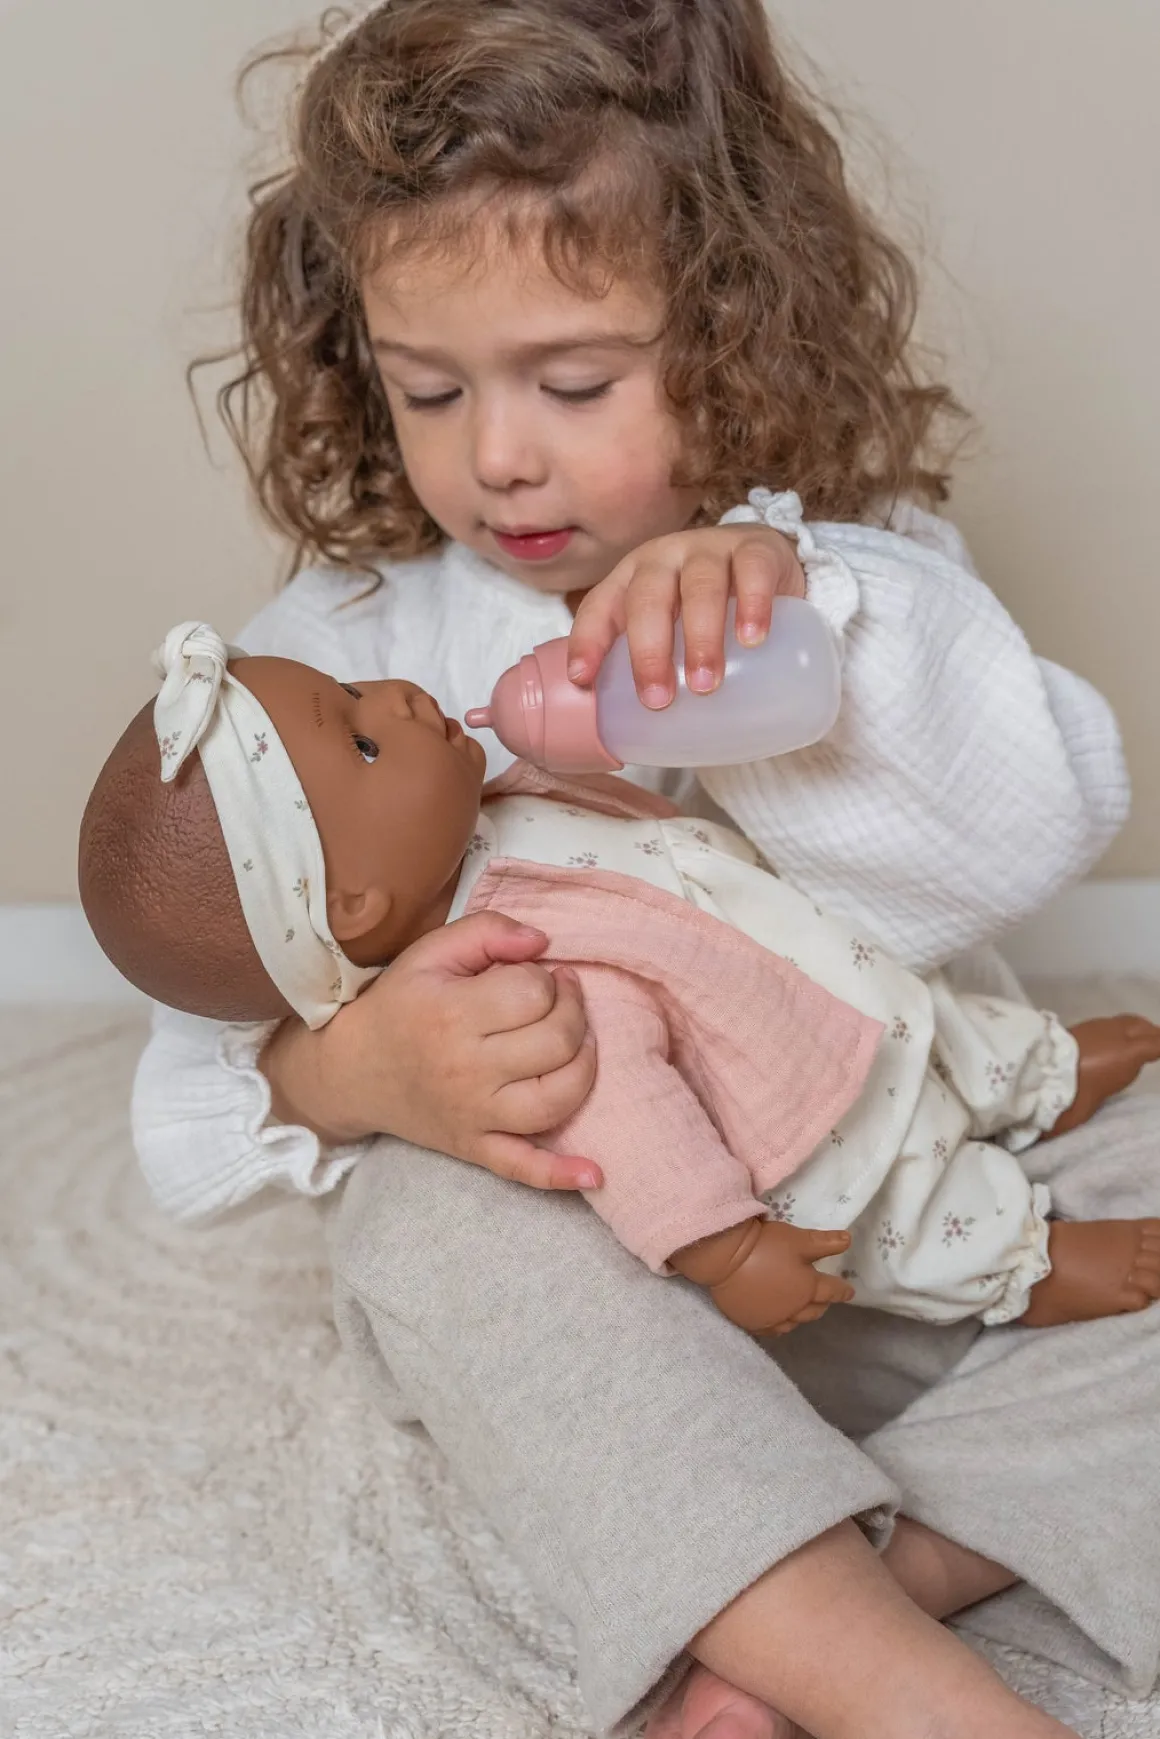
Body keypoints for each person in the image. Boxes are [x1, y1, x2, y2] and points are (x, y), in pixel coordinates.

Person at [128, 4, 1157, 1735]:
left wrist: (807, 602)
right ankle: (905, 1687)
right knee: (426, 1232)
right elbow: (179, 1118)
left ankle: (820, 1596)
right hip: (615, 1289)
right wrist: (355, 1071)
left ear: (733, 324)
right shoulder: (342, 654)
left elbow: (1039, 819)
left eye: (576, 383)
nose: (498, 455)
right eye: (429, 388)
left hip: (916, 1207)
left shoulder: (839, 569)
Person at [85, 629, 1160, 1334]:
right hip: (800, 1112)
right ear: (354, 903)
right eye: (364, 740)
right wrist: (726, 1246)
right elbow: (626, 1112)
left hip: (821, 972)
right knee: (909, 1208)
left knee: (941, 1022)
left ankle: (1038, 1074)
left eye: (355, 686)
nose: (399, 697)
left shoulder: (489, 806)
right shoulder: (496, 977)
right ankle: (1024, 1264)